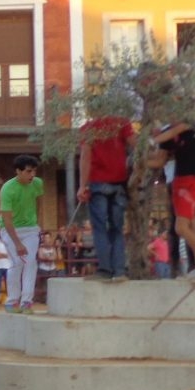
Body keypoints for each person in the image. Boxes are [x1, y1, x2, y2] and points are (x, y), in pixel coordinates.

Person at [151, 122, 195, 284]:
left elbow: (169, 133)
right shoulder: (165, 135)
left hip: (191, 181)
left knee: (180, 227)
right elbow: (158, 161)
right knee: (192, 226)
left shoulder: (185, 124)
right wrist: (138, 161)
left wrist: (149, 139)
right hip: (178, 182)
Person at [77, 114, 133, 282]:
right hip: (119, 183)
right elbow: (136, 144)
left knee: (100, 227)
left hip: (97, 183)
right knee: (117, 228)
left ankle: (105, 270)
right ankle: (120, 270)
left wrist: (82, 185)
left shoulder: (88, 127)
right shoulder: (122, 123)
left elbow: (86, 157)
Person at [0, 154, 45, 313]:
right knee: (17, 263)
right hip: (10, 229)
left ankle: (26, 302)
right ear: (18, 171)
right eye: (28, 171)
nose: (32, 175)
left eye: (34, 171)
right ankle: (12, 301)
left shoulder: (38, 183)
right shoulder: (7, 189)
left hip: (31, 228)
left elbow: (38, 202)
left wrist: (38, 224)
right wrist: (17, 243)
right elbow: (6, 219)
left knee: (30, 262)